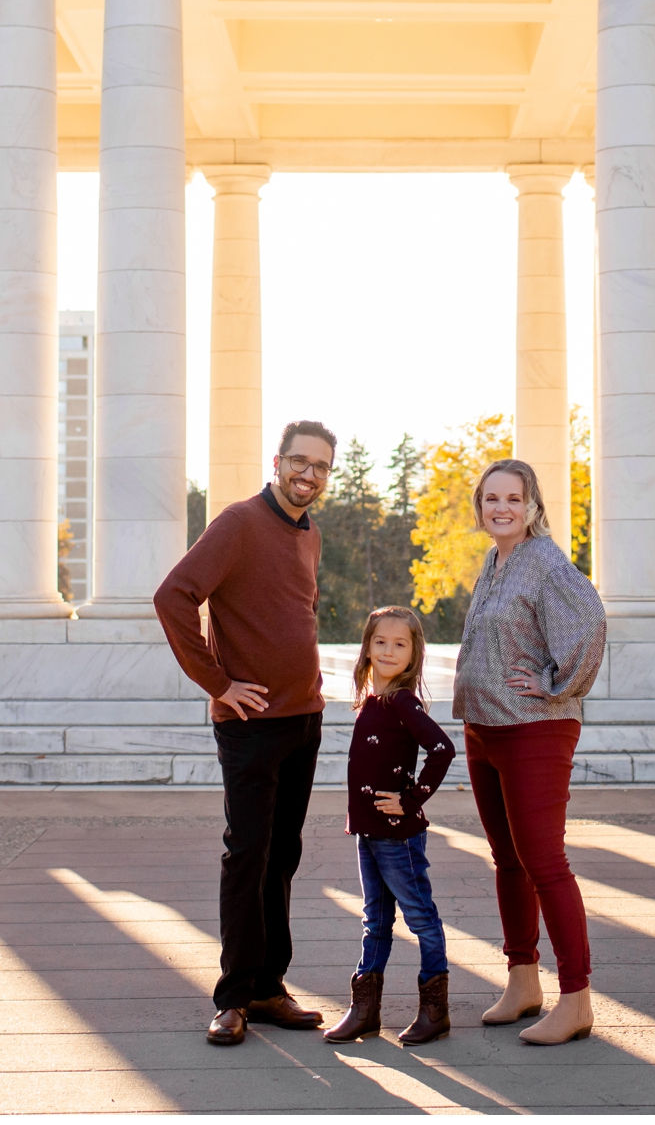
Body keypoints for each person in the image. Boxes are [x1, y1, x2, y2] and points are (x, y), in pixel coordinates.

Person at [153, 420, 337, 1047]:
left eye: (320, 466)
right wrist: (218, 683)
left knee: (282, 857)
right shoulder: (237, 522)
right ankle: (232, 998)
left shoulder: (309, 533)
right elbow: (174, 595)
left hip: (303, 718)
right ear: (278, 461)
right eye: (299, 462)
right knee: (247, 855)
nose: (308, 475)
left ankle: (267, 987)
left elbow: (294, 612)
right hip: (250, 726)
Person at [452, 456, 607, 1045]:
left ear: (533, 506)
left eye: (513, 498)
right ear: (480, 508)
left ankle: (576, 1000)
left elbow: (590, 619)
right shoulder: (494, 561)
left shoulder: (543, 560)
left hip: (534, 729)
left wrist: (552, 682)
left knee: (544, 862)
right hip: (485, 728)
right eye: (491, 498)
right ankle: (523, 981)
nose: (501, 508)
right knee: (508, 860)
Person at [323, 605, 457, 1047]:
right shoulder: (371, 700)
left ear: (414, 653)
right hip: (368, 832)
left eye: (400, 644)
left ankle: (434, 1009)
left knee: (420, 916)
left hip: (397, 837)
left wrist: (411, 798)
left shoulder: (402, 701)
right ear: (366, 647)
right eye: (380, 641)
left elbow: (442, 749)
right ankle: (365, 1010)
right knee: (375, 920)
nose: (388, 650)